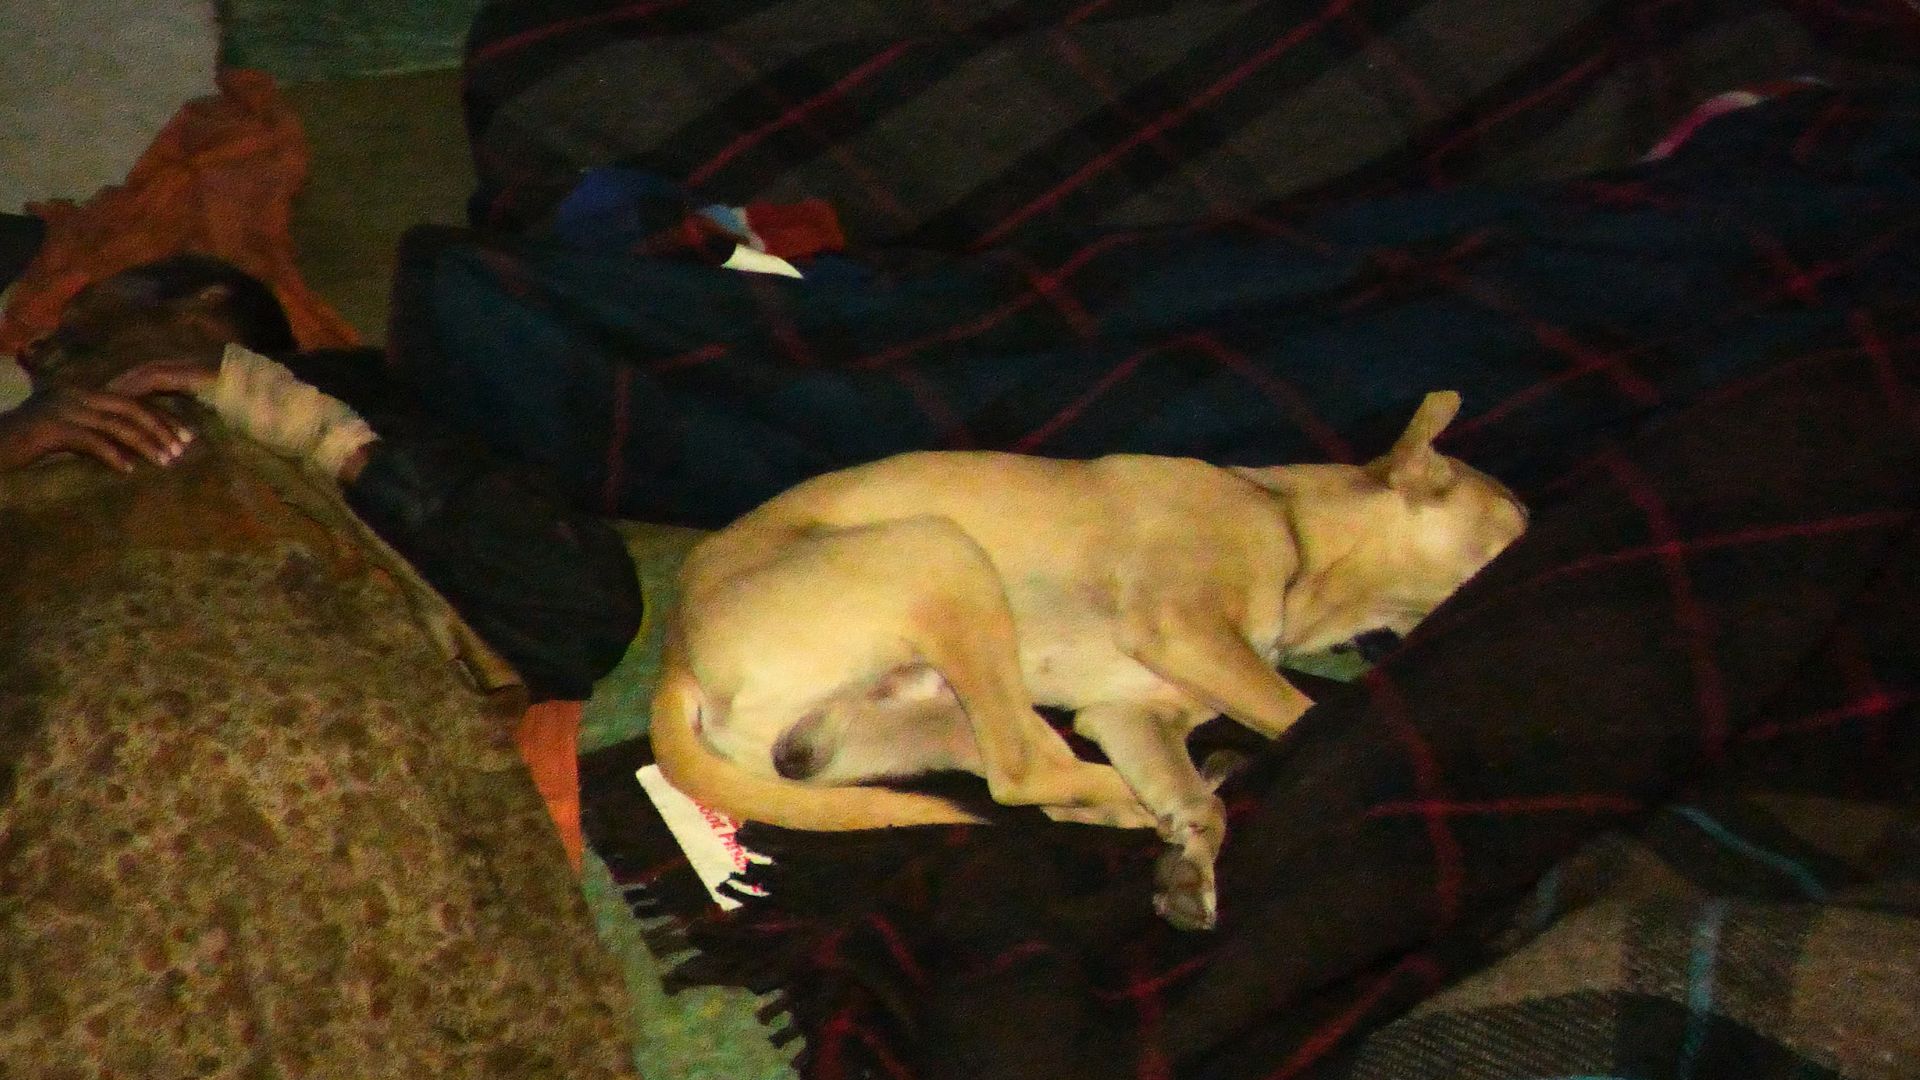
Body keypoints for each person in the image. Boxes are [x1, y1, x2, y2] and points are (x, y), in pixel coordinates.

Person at [2, 253, 641, 702]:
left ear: (207, 302)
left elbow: (580, 608)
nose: (34, 350)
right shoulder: (26, 451)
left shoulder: (357, 397)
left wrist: (328, 439)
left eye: (81, 313)